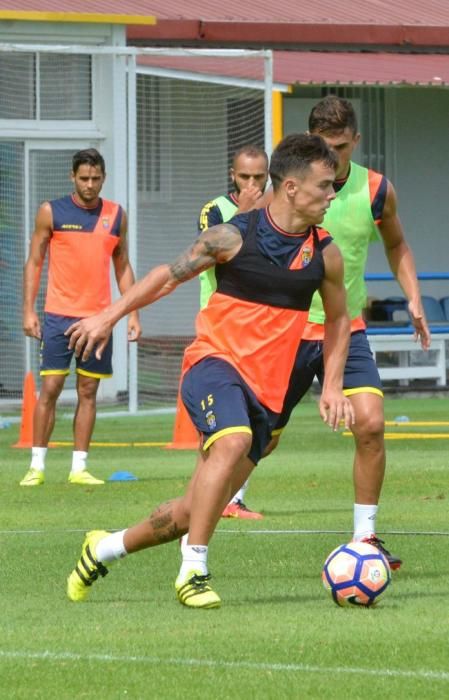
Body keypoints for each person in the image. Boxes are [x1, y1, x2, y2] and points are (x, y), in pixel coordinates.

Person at [65, 133, 354, 609]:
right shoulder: (233, 235)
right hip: (213, 363)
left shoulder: (325, 253)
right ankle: (193, 570)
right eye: (324, 185)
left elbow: (339, 318)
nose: (331, 195)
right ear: (291, 189)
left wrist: (334, 386)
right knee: (232, 438)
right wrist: (108, 316)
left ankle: (102, 548)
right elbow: (167, 275)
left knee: (192, 509)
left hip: (268, 392)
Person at [266, 96, 431, 569]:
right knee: (260, 438)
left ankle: (366, 538)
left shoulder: (376, 190)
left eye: (341, 146)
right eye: (324, 146)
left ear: (356, 141)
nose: (333, 156)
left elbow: (396, 243)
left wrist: (414, 295)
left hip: (347, 327)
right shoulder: (290, 189)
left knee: (372, 425)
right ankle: (204, 518)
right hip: (289, 329)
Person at [20, 148, 141, 487]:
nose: (90, 184)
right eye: (84, 178)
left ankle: (79, 468)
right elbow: (34, 262)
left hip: (99, 320)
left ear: (103, 178)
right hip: (58, 316)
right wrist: (29, 310)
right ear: (72, 177)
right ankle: (36, 466)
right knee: (51, 388)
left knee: (88, 390)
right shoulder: (51, 211)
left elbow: (122, 266)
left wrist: (132, 314)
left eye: (96, 178)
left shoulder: (116, 215)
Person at [198, 144, 269, 520]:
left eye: (260, 177)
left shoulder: (278, 212)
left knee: (261, 423)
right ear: (232, 175)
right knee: (219, 423)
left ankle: (230, 497)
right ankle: (212, 498)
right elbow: (217, 254)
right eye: (245, 177)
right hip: (220, 329)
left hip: (261, 329)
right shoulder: (214, 210)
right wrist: (246, 213)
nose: (253, 183)